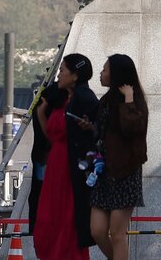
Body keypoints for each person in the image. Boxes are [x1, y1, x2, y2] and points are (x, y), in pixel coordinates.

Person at [33, 54, 99, 260]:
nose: (58, 75)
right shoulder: (59, 99)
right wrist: (41, 114)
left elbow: (98, 133)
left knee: (68, 221)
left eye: (63, 70)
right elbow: (52, 136)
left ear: (75, 75)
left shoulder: (85, 99)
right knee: (46, 222)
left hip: (71, 169)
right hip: (55, 164)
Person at [87, 54, 148, 260]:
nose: (101, 74)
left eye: (105, 70)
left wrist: (129, 100)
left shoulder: (135, 100)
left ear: (117, 74)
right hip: (103, 171)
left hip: (125, 172)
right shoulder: (106, 100)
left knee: (118, 233)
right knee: (97, 230)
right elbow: (105, 132)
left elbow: (132, 129)